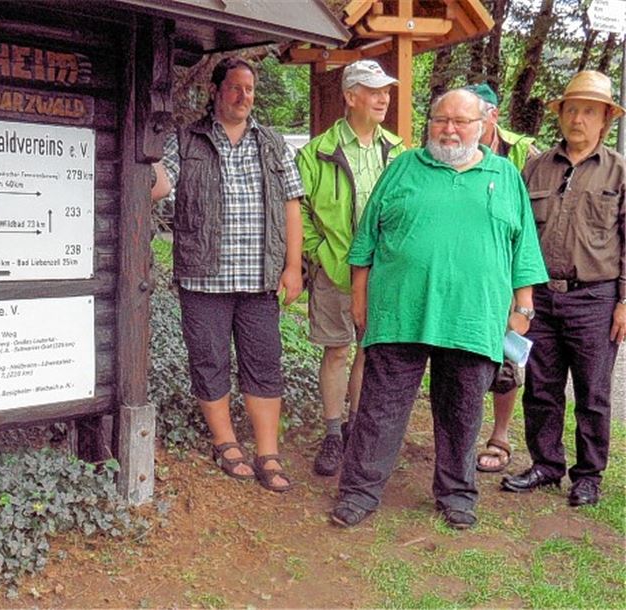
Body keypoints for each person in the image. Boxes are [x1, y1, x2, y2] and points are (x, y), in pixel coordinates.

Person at [330, 89, 548, 529]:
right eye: (440, 120)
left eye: (461, 121)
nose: (449, 129)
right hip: (400, 312)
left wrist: (522, 308)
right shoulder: (403, 168)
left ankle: (457, 494)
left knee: (463, 413)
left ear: (484, 124)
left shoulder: (504, 175)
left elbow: (524, 250)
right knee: (380, 410)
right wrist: (359, 299)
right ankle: (359, 492)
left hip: (473, 318)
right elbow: (365, 240)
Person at [151, 56, 305, 492]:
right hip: (204, 279)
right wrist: (143, 148)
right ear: (215, 92)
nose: (244, 96)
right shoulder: (186, 140)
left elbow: (293, 204)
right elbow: (160, 184)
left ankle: (267, 451)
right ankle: (225, 442)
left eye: (250, 89)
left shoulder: (273, 144)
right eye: (235, 87)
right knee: (210, 360)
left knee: (264, 363)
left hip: (260, 279)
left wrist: (293, 267)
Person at [501, 70, 625, 507]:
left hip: (595, 297)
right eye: (572, 109)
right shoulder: (535, 166)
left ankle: (588, 475)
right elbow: (513, 233)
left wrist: (624, 303)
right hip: (541, 297)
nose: (578, 119)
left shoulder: (619, 171)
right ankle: (546, 465)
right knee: (541, 385)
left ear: (605, 119)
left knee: (593, 392)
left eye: (589, 111)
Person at [297, 59, 404, 476]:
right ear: (350, 96)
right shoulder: (317, 152)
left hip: (383, 270)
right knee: (337, 349)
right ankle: (333, 432)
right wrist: (319, 251)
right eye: (374, 90)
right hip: (336, 269)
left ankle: (358, 426)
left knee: (370, 348)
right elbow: (300, 210)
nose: (383, 98)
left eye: (386, 91)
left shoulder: (399, 151)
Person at [462, 82, 540, 474]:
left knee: (508, 354)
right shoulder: (453, 150)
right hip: (471, 270)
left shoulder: (524, 152)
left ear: (491, 116)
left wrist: (523, 289)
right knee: (468, 354)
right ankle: (464, 435)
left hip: (512, 268)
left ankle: (501, 434)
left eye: (474, 114)